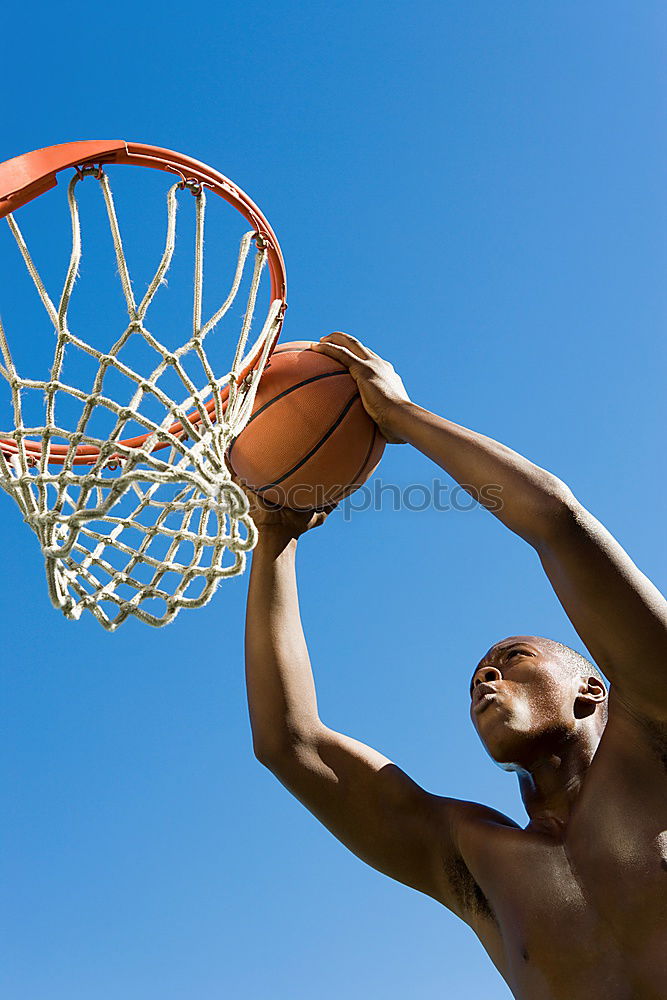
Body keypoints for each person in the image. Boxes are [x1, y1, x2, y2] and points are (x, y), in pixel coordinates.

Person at [243, 332, 667, 1000]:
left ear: (592, 689)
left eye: (512, 660)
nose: (484, 678)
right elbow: (290, 743)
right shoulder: (471, 859)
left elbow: (554, 523)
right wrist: (275, 536)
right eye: (477, 676)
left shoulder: (656, 725)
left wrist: (403, 419)